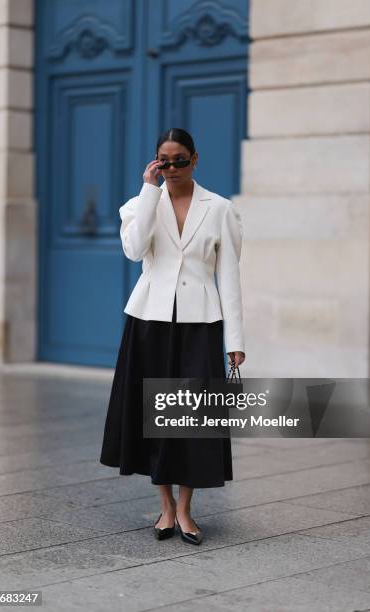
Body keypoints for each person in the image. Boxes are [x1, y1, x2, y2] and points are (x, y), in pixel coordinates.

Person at [100, 127, 246, 545]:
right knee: (152, 419)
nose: (173, 168)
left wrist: (235, 341)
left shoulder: (220, 209)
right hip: (149, 321)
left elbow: (230, 277)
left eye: (180, 159)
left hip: (201, 323)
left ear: (195, 159)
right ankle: (165, 508)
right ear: (155, 162)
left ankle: (185, 509)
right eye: (165, 160)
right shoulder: (138, 205)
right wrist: (150, 190)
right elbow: (133, 250)